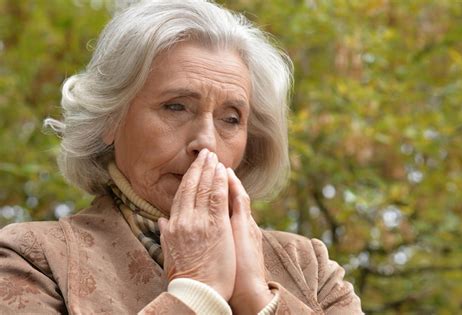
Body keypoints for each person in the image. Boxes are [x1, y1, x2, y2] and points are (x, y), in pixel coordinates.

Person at [0, 1, 363, 314]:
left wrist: (256, 299)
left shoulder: (309, 266)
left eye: (231, 118)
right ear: (111, 118)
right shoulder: (31, 257)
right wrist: (196, 293)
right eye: (176, 107)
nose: (205, 142)